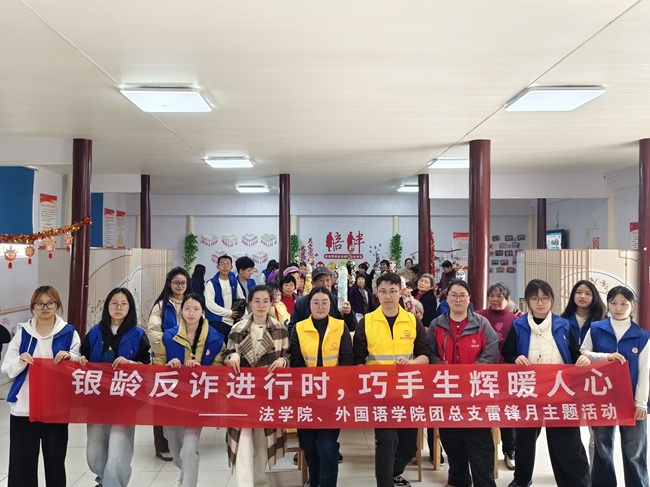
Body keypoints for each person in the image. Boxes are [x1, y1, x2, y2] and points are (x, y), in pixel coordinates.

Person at [502, 279, 591, 487]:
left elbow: (574, 352)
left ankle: (576, 483)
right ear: (527, 301)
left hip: (559, 391)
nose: (540, 303)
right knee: (525, 440)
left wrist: (582, 359)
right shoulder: (518, 325)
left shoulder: (563, 325)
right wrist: (515, 359)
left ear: (551, 300)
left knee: (567, 440)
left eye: (544, 298)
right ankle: (521, 480)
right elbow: (508, 353)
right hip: (528, 391)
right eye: (534, 298)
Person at [352, 272, 431, 487]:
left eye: (393, 291)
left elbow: (425, 356)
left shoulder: (412, 320)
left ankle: (395, 472)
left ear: (400, 293)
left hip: (407, 390)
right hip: (380, 392)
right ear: (377, 293)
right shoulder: (367, 322)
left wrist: (411, 364)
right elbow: (358, 360)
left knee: (408, 447)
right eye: (383, 291)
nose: (388, 296)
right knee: (387, 441)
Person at [1, 285, 80, 487]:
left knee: (55, 461)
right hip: (24, 407)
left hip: (56, 407)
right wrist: (20, 360)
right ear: (33, 306)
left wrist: (70, 357)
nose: (45, 307)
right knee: (22, 463)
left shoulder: (69, 333)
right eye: (39, 303)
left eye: (50, 303)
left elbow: (80, 362)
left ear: (57, 305)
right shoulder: (23, 333)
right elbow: (7, 366)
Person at [428, 279, 499, 487]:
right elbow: (430, 352)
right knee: (451, 440)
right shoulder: (436, 324)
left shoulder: (481, 323)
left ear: (469, 299)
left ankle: (484, 484)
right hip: (446, 391)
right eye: (453, 295)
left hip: (475, 392)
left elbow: (491, 350)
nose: (458, 299)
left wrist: (471, 374)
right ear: (447, 298)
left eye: (462, 295)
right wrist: (443, 371)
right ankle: (458, 480)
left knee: (480, 442)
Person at [79, 287, 151, 487]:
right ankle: (104, 481)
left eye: (123, 304)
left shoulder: (138, 334)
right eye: (114, 303)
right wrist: (79, 359)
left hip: (125, 400)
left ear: (130, 307)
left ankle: (113, 484)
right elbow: (82, 356)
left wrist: (132, 364)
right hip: (97, 399)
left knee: (119, 449)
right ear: (107, 306)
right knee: (94, 453)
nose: (118, 307)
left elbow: (147, 366)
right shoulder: (94, 333)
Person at [580, 286, 649, 487]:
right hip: (602, 398)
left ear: (632, 306)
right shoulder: (596, 329)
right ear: (608, 305)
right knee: (602, 446)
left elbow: (644, 371)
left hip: (631, 400)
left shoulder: (642, 336)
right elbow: (584, 353)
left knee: (634, 449)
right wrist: (605, 357)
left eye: (624, 304)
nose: (618, 308)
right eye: (613, 303)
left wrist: (641, 403)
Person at [154, 293, 225, 487]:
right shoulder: (168, 337)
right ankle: (184, 475)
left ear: (203, 312)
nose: (191, 313)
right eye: (187, 309)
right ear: (181, 311)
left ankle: (188, 483)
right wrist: (168, 365)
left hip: (198, 401)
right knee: (176, 449)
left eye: (196, 309)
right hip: (172, 400)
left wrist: (202, 369)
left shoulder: (215, 339)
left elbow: (219, 370)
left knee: (189, 448)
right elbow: (157, 365)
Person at [222, 285, 289, 487]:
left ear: (271, 303)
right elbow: (226, 354)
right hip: (242, 393)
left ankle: (259, 480)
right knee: (242, 439)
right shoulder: (238, 328)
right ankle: (244, 483)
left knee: (262, 440)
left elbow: (287, 356)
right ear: (250, 303)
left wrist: (283, 361)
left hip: (267, 393)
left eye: (265, 301)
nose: (261, 305)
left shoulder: (280, 328)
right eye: (257, 301)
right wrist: (232, 356)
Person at [290, 287, 354, 487]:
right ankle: (315, 481)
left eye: (324, 303)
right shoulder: (299, 328)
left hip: (333, 398)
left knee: (326, 445)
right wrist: (313, 386)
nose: (320, 307)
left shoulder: (340, 326)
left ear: (331, 305)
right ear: (309, 305)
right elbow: (296, 362)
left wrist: (331, 385)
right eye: (316, 303)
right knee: (309, 446)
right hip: (306, 396)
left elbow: (347, 359)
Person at [146, 266, 191, 461]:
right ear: (169, 284)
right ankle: (162, 446)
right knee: (163, 403)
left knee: (186, 402)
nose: (179, 286)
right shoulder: (161, 306)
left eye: (183, 283)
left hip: (188, 361)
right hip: (164, 361)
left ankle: (182, 444)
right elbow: (153, 331)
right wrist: (170, 352)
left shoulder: (193, 303)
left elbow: (201, 330)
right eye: (176, 283)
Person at [476, 282, 519, 471]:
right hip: (482, 372)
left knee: (506, 412)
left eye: (499, 296)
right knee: (482, 412)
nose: (495, 299)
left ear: (507, 299)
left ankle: (510, 451)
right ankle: (483, 452)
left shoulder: (516, 320)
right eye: (491, 295)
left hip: (506, 373)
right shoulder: (477, 316)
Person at [288, 266, 357, 336]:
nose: (325, 284)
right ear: (313, 284)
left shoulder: (338, 302)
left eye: (327, 280)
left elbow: (352, 327)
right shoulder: (301, 303)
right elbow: (292, 330)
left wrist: (348, 314)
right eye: (321, 280)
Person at [204, 254, 245, 341]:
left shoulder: (234, 282)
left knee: (231, 347)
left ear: (231, 267)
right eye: (222, 264)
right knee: (217, 346)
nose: (225, 267)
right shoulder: (211, 283)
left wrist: (242, 316)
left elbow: (241, 299)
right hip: (216, 321)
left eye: (228, 264)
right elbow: (209, 304)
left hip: (232, 322)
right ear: (217, 267)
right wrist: (228, 313)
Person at [561, 280, 606, 346]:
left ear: (594, 297)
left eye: (588, 294)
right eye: (579, 292)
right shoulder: (562, 321)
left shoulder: (602, 321)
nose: (582, 296)